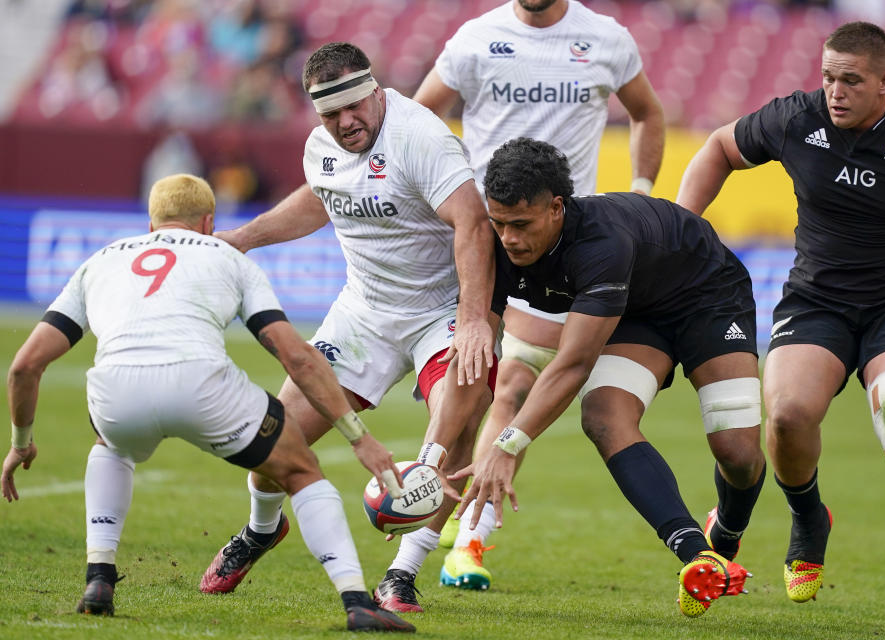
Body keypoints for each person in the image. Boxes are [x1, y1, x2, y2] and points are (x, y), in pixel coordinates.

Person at [1, 174, 414, 632]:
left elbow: (24, 367)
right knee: (301, 471)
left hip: (119, 393)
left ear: (151, 221)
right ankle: (357, 601)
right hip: (203, 388)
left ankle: (99, 578)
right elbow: (296, 356)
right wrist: (359, 437)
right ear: (209, 222)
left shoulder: (99, 261)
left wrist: (21, 442)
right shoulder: (226, 256)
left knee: (110, 443)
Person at [676, 21, 885, 631]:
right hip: (817, 303)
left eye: (851, 81)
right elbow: (720, 149)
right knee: (785, 417)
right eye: (828, 76)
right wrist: (679, 229)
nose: (835, 91)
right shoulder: (796, 118)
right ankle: (808, 517)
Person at [198, 42, 499, 614]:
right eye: (331, 115)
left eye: (356, 106)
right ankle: (262, 530)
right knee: (275, 440)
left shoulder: (420, 137)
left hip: (440, 310)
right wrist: (242, 238)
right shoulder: (322, 147)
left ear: (376, 90)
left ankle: (402, 573)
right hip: (363, 313)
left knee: (460, 413)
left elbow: (472, 224)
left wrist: (474, 319)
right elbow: (321, 199)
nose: (346, 122)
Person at [411, 0, 668, 590]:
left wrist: (640, 193)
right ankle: (455, 505)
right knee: (476, 384)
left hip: (561, 241)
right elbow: (419, 117)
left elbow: (647, 114)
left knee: (515, 384)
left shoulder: (604, 38)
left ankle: (468, 528)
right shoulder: (477, 39)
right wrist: (451, 200)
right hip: (485, 234)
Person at [459, 137, 761, 617]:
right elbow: (480, 348)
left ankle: (726, 531)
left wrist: (506, 445)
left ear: (557, 208)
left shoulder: (602, 243)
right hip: (638, 311)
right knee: (602, 415)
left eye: (521, 224)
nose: (509, 238)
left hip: (708, 293)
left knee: (738, 453)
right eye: (499, 224)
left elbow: (574, 364)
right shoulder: (494, 243)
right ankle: (696, 554)